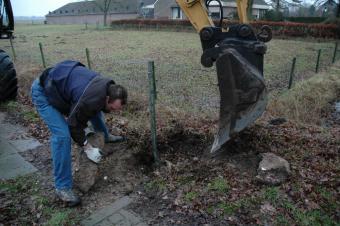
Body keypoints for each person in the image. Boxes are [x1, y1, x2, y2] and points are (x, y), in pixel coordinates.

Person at [31, 60, 128, 206]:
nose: (114, 112)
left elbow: (90, 107)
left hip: (61, 86)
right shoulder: (90, 99)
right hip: (44, 92)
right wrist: (88, 148)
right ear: (108, 97)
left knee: (96, 110)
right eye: (113, 108)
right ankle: (62, 188)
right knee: (62, 136)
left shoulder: (105, 88)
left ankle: (106, 137)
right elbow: (74, 126)